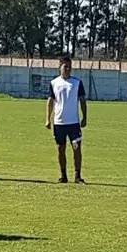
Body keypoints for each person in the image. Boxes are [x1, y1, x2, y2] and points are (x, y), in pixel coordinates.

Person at [45, 56, 88, 184]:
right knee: (60, 149)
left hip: (73, 123)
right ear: (60, 67)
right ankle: (63, 175)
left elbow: (82, 101)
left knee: (76, 149)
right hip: (59, 123)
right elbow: (50, 101)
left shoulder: (77, 83)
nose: (68, 69)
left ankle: (77, 176)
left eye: (70, 67)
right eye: (65, 66)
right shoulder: (54, 83)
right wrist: (48, 119)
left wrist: (84, 117)